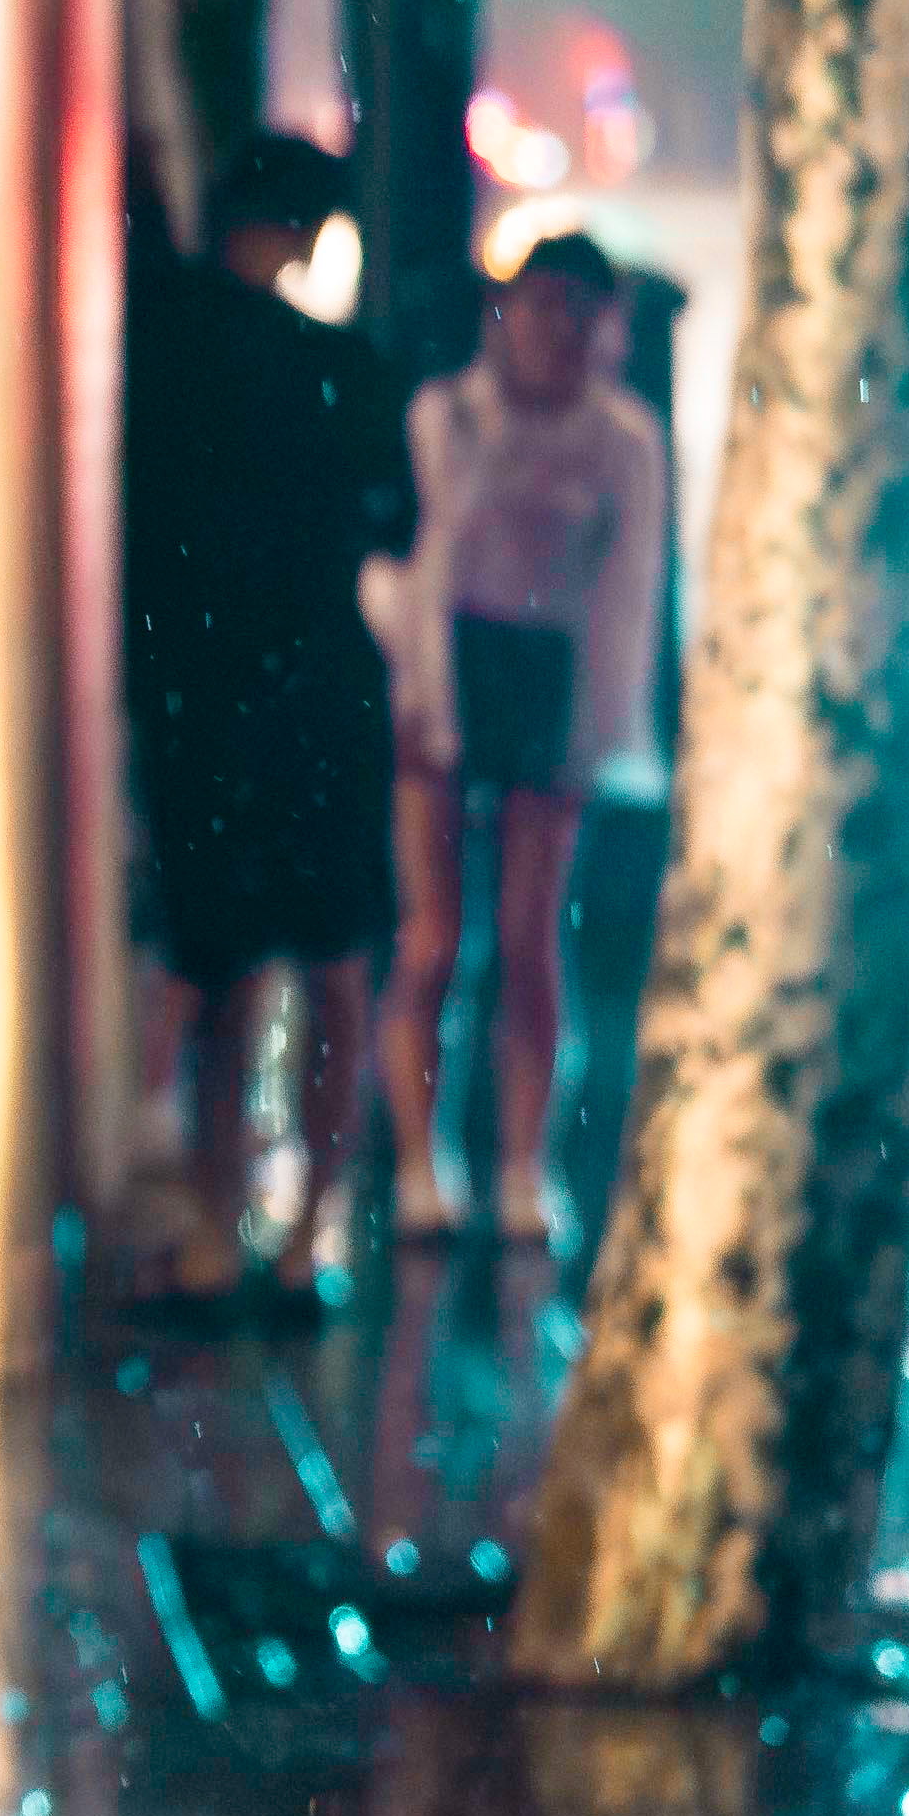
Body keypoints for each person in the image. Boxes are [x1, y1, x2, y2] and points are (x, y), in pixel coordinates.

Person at [119, 131, 410, 1294]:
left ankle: (210, 1218)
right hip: (324, 692)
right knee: (333, 960)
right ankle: (308, 1232)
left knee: (220, 961)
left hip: (202, 692)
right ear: (304, 235)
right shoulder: (345, 371)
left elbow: (142, 542)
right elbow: (392, 526)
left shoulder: (160, 355)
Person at [378, 229, 671, 1245]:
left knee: (532, 939)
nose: (555, 330)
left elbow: (627, 595)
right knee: (434, 938)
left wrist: (602, 731)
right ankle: (421, 1160)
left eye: (577, 312)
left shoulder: (623, 439)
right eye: (538, 305)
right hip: (448, 668)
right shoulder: (446, 414)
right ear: (501, 313)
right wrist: (422, 701)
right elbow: (419, 565)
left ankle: (521, 1165)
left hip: (552, 681)